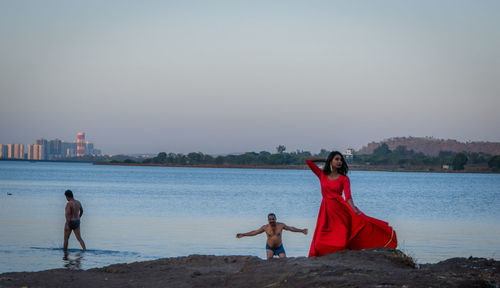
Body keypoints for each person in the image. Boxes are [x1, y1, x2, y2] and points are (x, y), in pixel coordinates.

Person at [306, 151, 397, 257]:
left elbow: (348, 197)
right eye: (337, 159)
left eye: (341, 160)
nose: (339, 162)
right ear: (331, 160)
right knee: (320, 241)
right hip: (326, 211)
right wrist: (326, 160)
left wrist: (354, 210)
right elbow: (308, 161)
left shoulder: (344, 179)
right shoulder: (322, 175)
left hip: (341, 211)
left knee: (341, 240)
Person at [236, 213, 308, 259]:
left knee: (284, 261)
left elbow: (291, 228)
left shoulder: (281, 225)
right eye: (270, 219)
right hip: (270, 248)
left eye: (273, 219)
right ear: (268, 220)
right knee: (269, 261)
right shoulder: (265, 227)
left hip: (280, 247)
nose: (272, 220)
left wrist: (301, 230)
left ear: (276, 219)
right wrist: (243, 234)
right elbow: (255, 232)